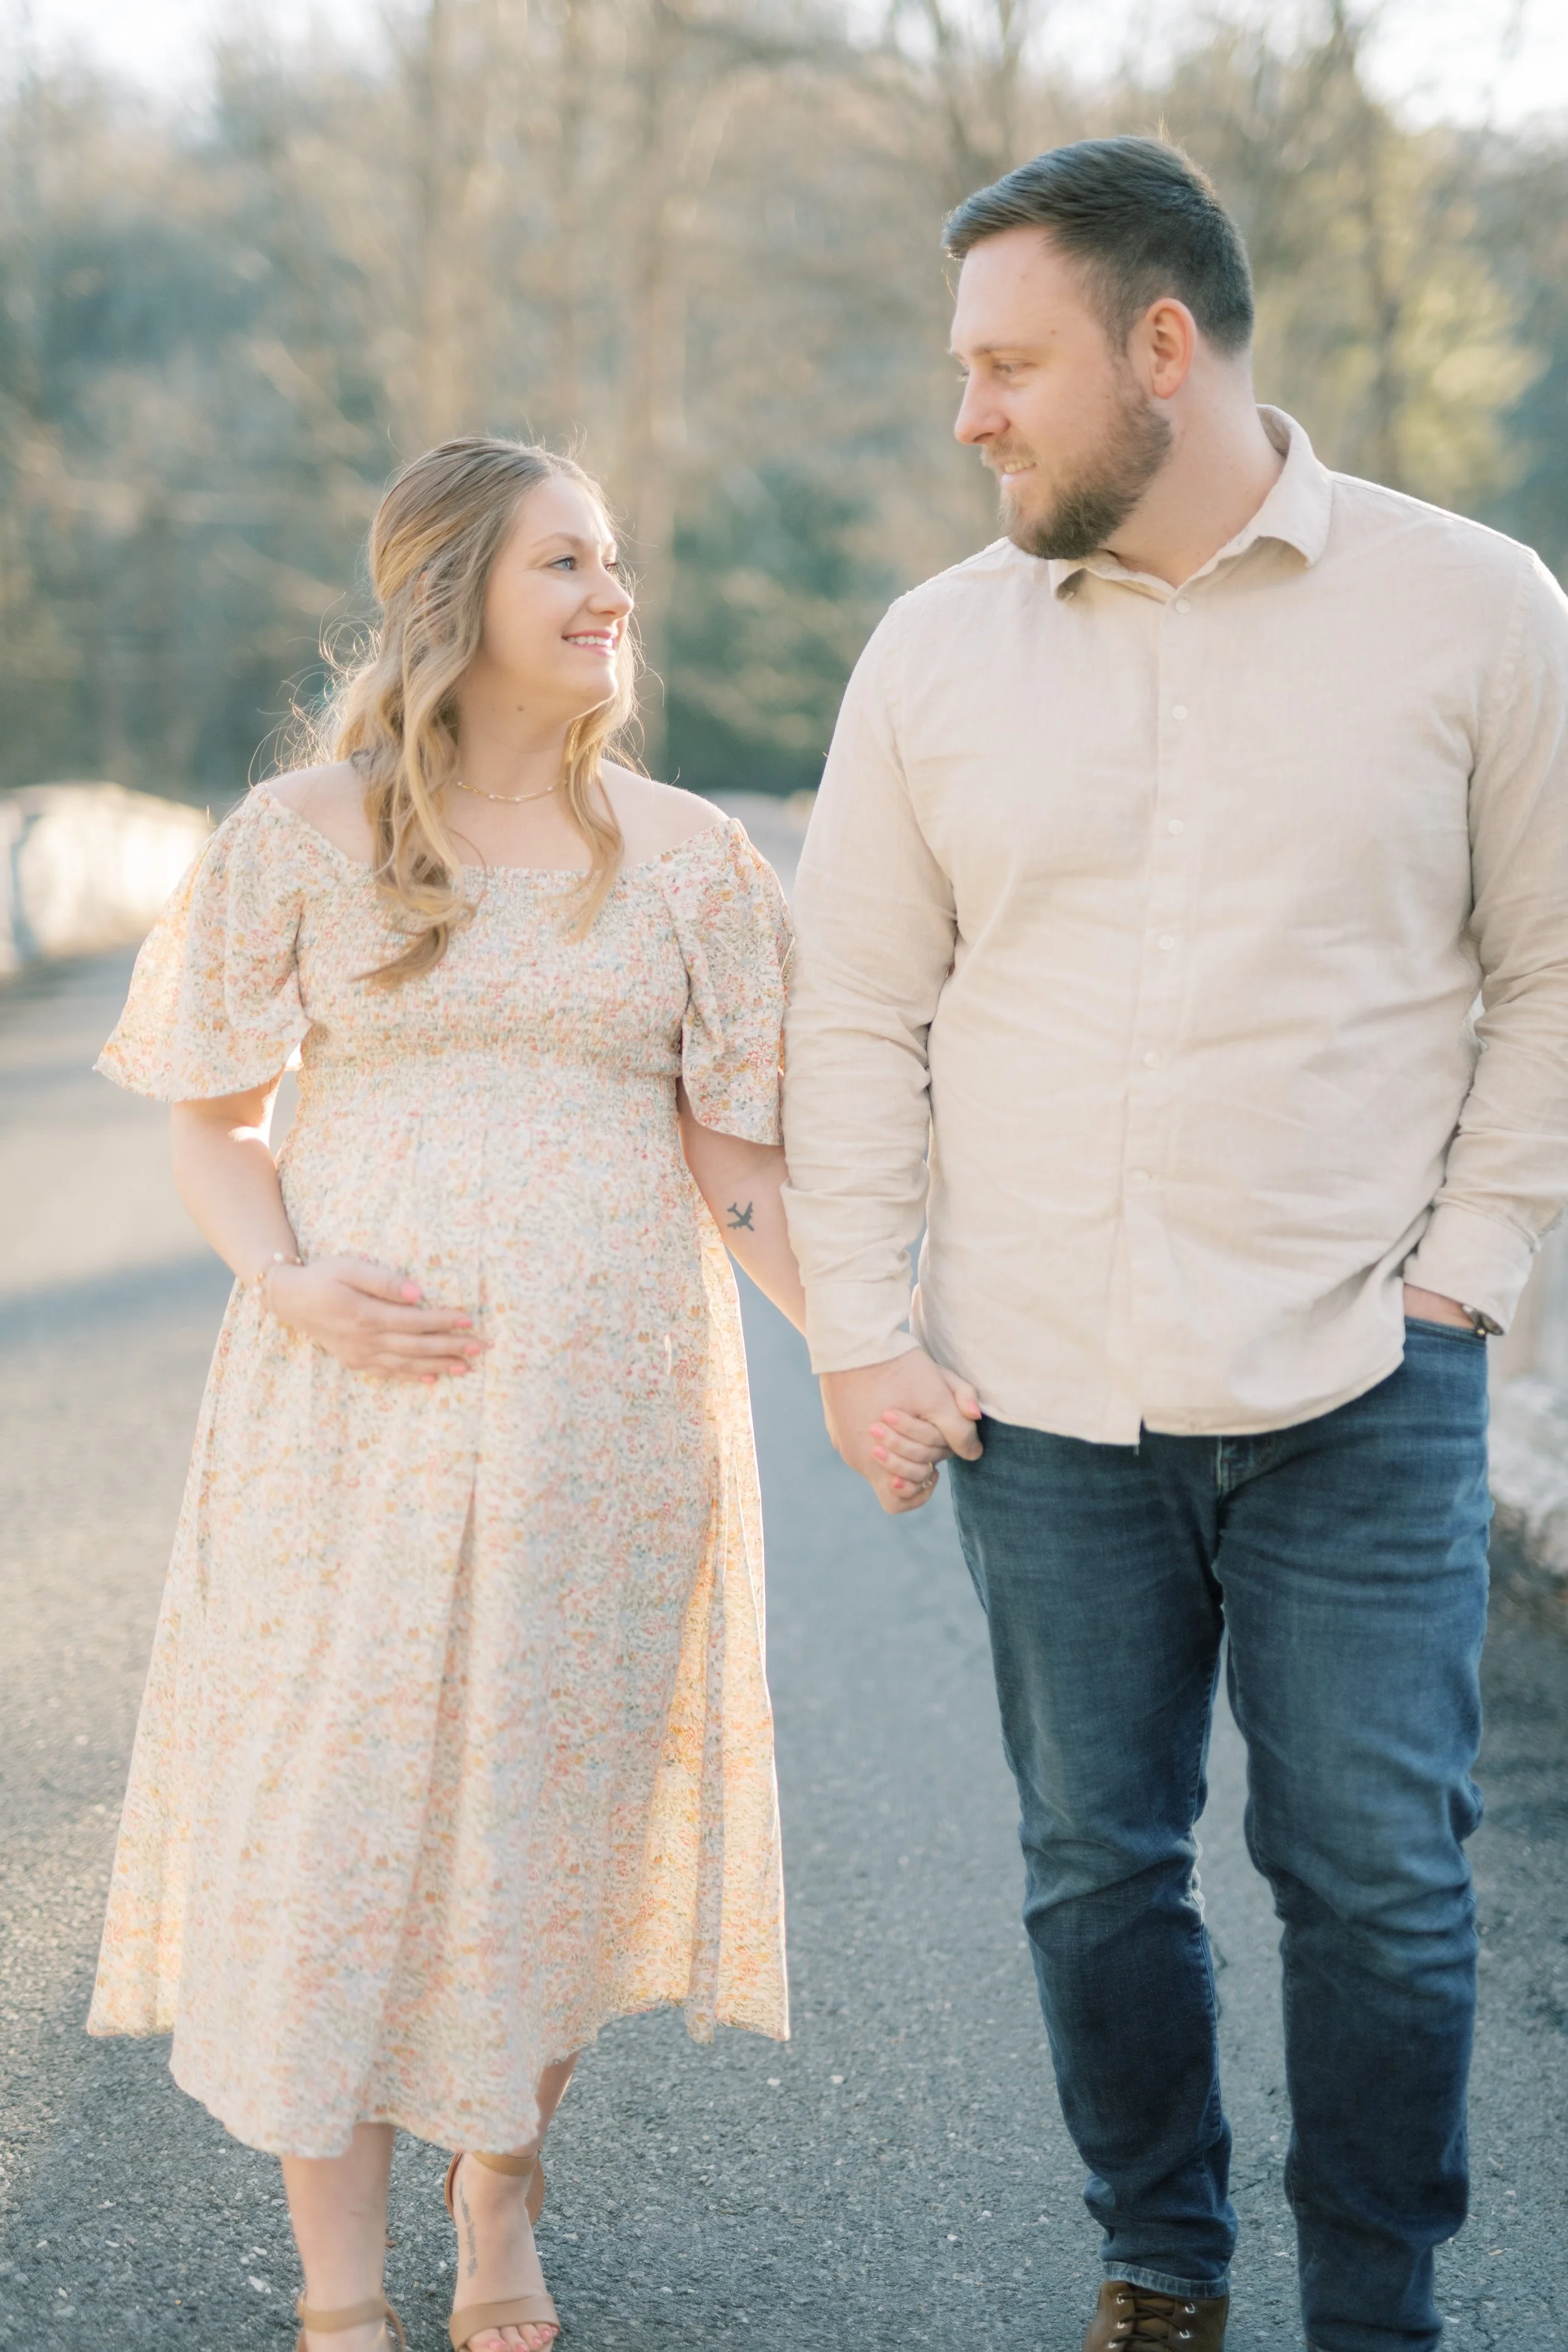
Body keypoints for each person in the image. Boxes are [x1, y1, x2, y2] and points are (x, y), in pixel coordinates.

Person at [780, 137, 1568, 2352]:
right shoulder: (933, 653)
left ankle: (1377, 2310)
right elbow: (849, 1008)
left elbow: (1552, 962)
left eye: (1005, 363)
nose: (971, 415)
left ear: (1161, 345)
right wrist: (857, 1326)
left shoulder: (1478, 605)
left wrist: (1466, 1266)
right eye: (963, 368)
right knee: (1094, 1872)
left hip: (1361, 1372)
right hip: (1037, 1389)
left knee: (1389, 1895)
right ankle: (1160, 2259)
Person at [89, 436, 943, 2352]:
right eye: (564, 562)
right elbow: (217, 1122)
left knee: (541, 1824)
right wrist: (290, 1276)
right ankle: (338, 2286)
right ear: (452, 592)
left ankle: (502, 2189)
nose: (609, 596)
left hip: (610, 1426)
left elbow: (740, 1167)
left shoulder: (697, 858)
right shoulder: (299, 836)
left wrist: (858, 1351)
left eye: (615, 561)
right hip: (345, 1419)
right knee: (337, 1816)